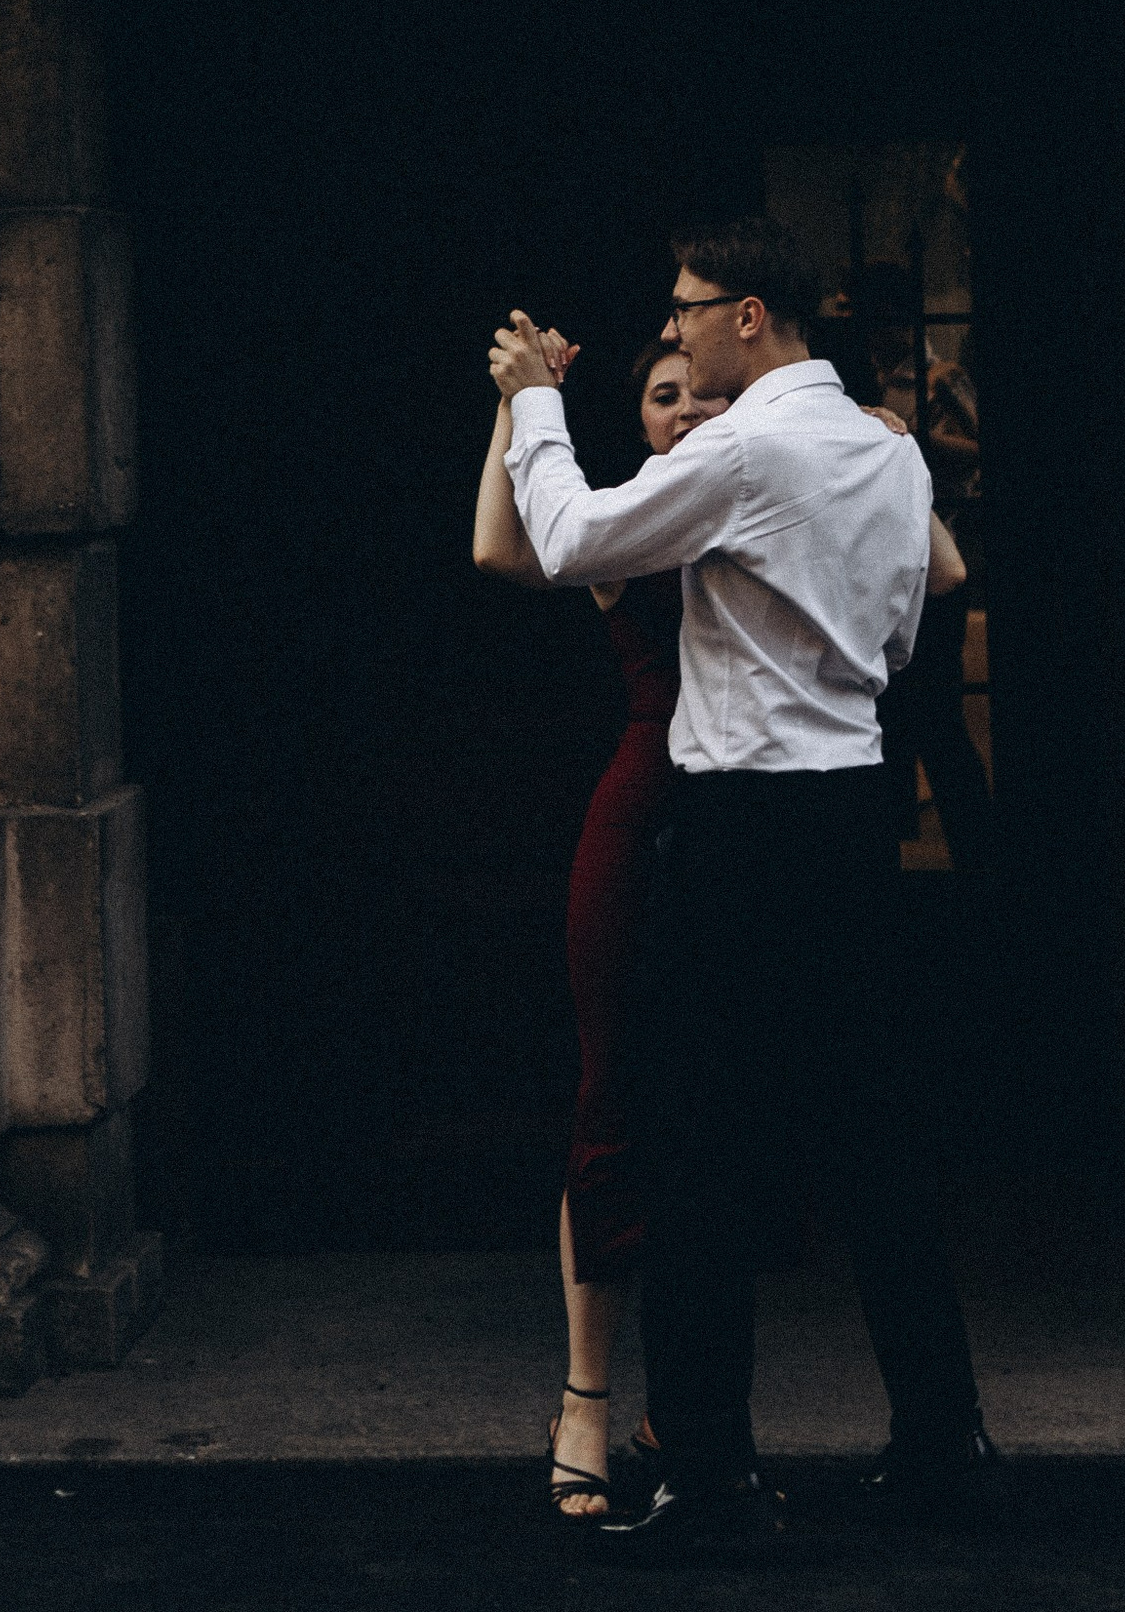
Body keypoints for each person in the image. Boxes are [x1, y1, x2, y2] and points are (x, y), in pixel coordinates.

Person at [492, 221, 994, 1568]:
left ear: (750, 317)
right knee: (874, 1140)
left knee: (701, 1142)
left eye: (689, 308)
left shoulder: (752, 444)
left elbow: (572, 535)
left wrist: (533, 399)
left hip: (742, 825)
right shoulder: (889, 456)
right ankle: (944, 1439)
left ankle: (708, 1463)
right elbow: (900, 634)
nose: (679, 329)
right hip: (851, 812)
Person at [474, 331, 730, 1517]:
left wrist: (885, 445)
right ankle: (584, 1393)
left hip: (747, 820)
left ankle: (689, 1410)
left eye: (706, 394)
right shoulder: (626, 518)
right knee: (611, 1100)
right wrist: (519, 406)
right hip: (639, 817)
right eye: (663, 399)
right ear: (637, 423)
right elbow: (497, 545)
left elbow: (933, 579)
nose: (685, 413)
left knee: (719, 1111)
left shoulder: (763, 499)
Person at [846, 270, 994, 876]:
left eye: (881, 317)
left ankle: (978, 852)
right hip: (873, 573)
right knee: (885, 714)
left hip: (934, 555)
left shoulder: (942, 377)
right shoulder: (871, 378)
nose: (877, 332)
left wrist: (915, 443)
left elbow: (984, 442)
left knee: (936, 715)